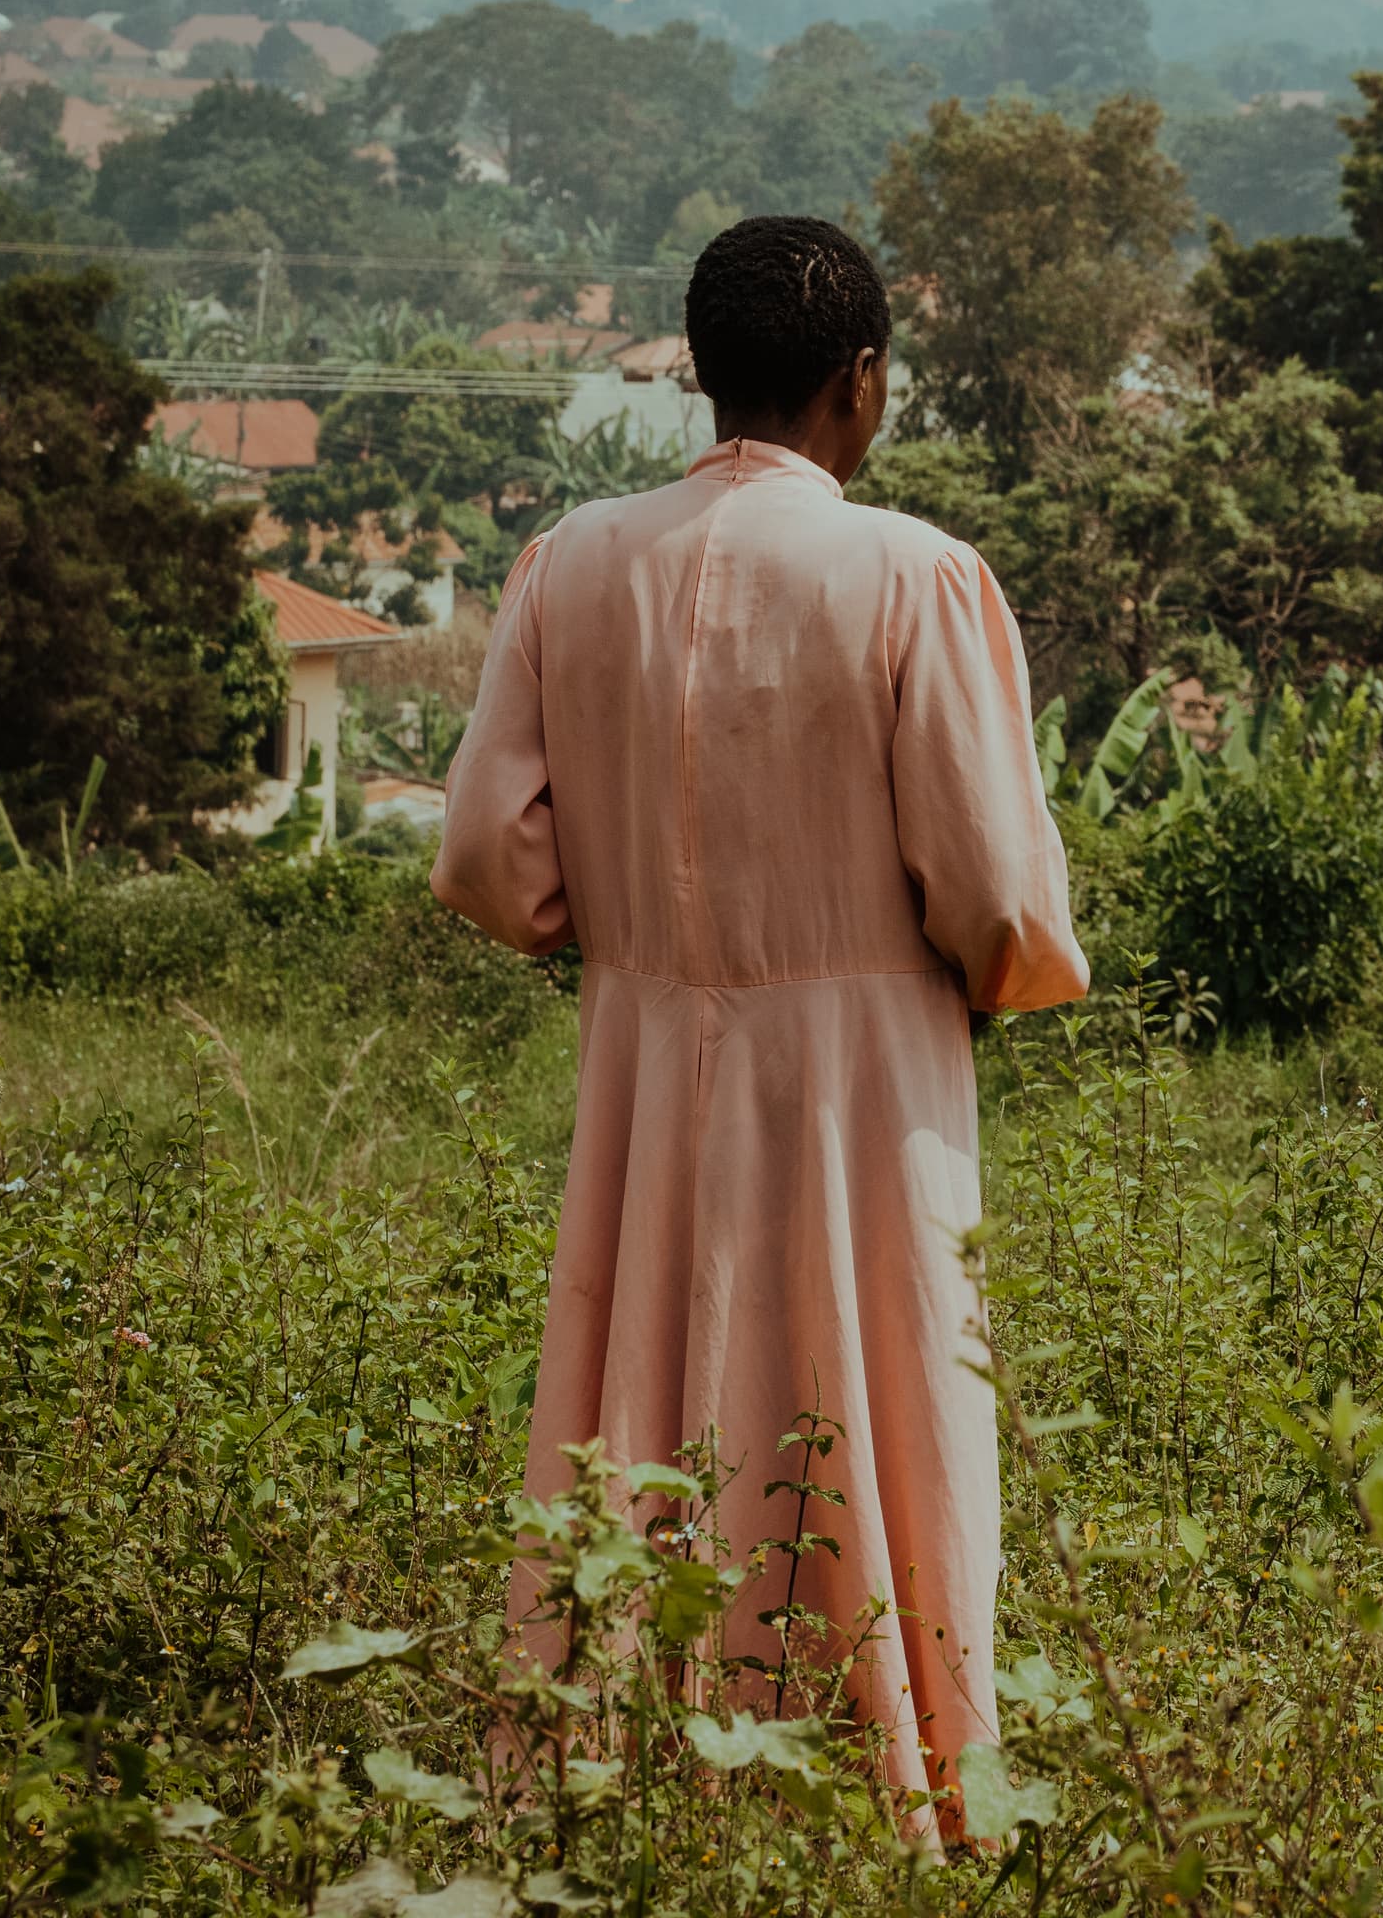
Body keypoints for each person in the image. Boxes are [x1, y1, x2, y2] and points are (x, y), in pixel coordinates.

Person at [435, 215, 1086, 1830]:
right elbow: (1001, 905)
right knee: (883, 1440)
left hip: (646, 1077)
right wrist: (969, 979)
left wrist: (649, 942)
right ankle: (890, 1798)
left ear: (701, 380)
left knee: (639, 1414)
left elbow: (487, 864)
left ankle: (629, 1795)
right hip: (868, 1098)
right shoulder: (915, 577)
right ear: (859, 384)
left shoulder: (571, 563)